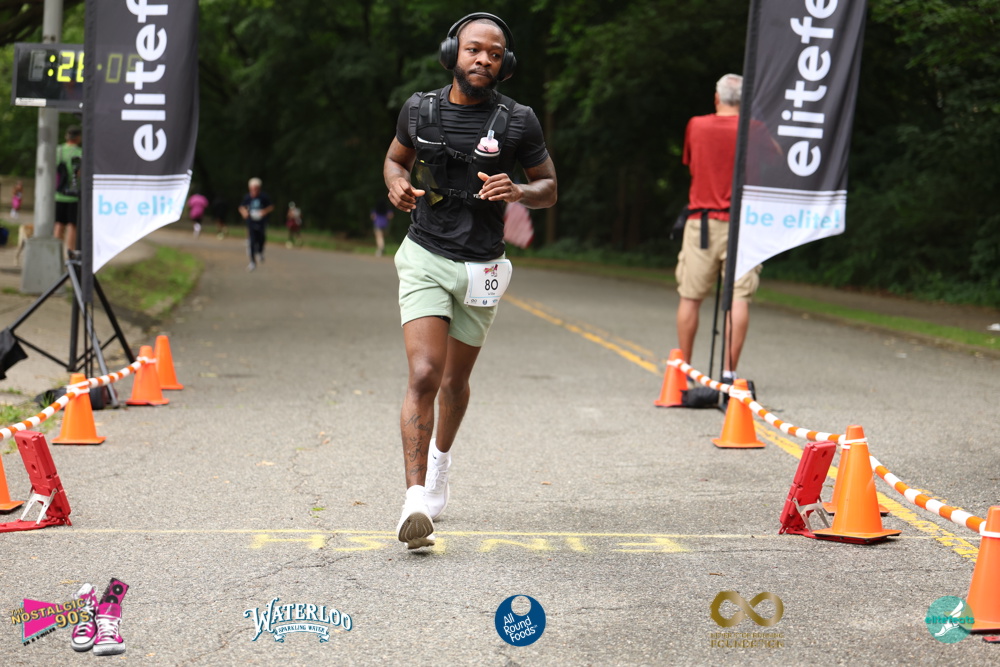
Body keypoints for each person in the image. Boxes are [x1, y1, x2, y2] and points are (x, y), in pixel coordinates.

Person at [383, 12, 557, 550]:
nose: (483, 59)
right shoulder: (419, 110)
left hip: (482, 267)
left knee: (455, 383)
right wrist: (396, 184)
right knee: (425, 373)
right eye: (474, 49)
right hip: (425, 254)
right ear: (452, 54)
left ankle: (440, 464)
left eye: (495, 54)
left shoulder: (519, 121)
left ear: (506, 65)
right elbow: (394, 161)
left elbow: (549, 187)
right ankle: (415, 500)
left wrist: (519, 191)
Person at [675, 73, 777, 388]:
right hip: (743, 226)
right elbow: (777, 158)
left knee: (690, 296)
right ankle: (729, 373)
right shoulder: (754, 130)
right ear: (745, 101)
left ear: (717, 98)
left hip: (702, 224)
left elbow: (691, 164)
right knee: (739, 298)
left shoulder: (696, 125)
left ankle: (684, 370)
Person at [53, 125, 83, 256]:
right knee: (72, 225)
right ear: (78, 138)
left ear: (67, 136)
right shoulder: (80, 152)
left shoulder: (57, 150)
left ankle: (55, 254)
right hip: (73, 195)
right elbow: (80, 174)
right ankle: (69, 255)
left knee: (58, 224)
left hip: (58, 194)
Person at [238, 178, 273, 271]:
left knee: (261, 239)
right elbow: (241, 207)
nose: (254, 191)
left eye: (256, 189)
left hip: (261, 222)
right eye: (252, 189)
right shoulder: (247, 197)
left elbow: (271, 206)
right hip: (251, 222)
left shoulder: (263, 197)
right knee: (252, 242)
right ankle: (252, 262)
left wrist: (264, 211)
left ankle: (260, 252)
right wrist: (244, 213)